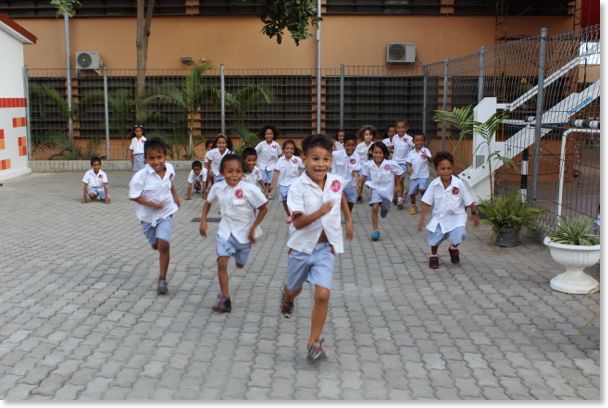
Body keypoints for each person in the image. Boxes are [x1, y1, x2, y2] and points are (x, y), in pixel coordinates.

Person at [279, 134, 353, 363]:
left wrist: (348, 219)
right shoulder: (296, 188)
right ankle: (287, 296)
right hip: (301, 248)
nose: (321, 164)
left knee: (323, 294)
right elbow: (298, 223)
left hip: (325, 248)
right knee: (295, 288)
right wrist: (320, 213)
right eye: (315, 159)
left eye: (326, 159)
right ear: (304, 160)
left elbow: (338, 197)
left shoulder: (335, 180)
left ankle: (313, 343)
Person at [199, 154, 269, 313]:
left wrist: (254, 227)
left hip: (244, 234)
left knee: (240, 262)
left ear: (242, 173)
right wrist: (203, 221)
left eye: (238, 171)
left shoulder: (250, 189)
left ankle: (240, 258)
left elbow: (264, 207)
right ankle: (225, 298)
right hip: (225, 231)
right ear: (222, 172)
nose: (234, 175)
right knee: (222, 262)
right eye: (230, 171)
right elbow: (207, 203)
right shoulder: (217, 188)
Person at [128, 137, 182, 294]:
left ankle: (162, 279)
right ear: (145, 159)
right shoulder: (140, 177)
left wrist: (176, 197)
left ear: (165, 156)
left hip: (165, 213)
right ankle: (156, 242)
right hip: (147, 218)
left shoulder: (170, 169)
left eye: (159, 157)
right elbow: (134, 196)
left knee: (164, 244)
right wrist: (152, 204)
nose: (156, 161)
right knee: (155, 245)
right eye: (152, 158)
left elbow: (170, 182)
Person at [417, 151, 479, 269]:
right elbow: (426, 203)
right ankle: (433, 256)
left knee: (460, 234)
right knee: (433, 240)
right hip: (439, 217)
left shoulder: (459, 183)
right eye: (442, 168)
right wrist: (422, 219)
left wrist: (474, 214)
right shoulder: (433, 184)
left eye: (449, 168)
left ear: (452, 168)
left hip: (457, 217)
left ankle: (453, 247)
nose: (446, 171)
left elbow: (469, 200)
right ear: (436, 169)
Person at [360, 141, 404, 241]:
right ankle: (375, 230)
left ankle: (385, 209)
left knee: (386, 208)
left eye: (380, 153)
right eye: (375, 152)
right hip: (376, 189)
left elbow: (399, 173)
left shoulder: (390, 164)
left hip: (388, 191)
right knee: (374, 207)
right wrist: (360, 187)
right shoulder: (368, 165)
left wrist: (397, 185)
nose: (378, 155)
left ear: (384, 153)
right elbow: (364, 176)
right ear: (372, 153)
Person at [270, 140, 304, 223]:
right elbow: (276, 172)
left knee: (292, 198)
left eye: (291, 149)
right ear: (283, 150)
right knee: (284, 201)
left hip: (294, 183)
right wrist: (272, 184)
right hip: (282, 184)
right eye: (287, 148)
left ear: (294, 150)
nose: (289, 150)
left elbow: (305, 166)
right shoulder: (280, 160)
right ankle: (289, 214)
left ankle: (296, 213)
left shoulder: (296, 160)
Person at [331, 133, 361, 212]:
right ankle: (336, 216)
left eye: (353, 145)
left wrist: (357, 178)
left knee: (351, 200)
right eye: (348, 145)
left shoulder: (356, 156)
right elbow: (327, 155)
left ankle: (348, 216)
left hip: (351, 183)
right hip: (338, 182)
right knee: (336, 201)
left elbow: (355, 170)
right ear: (344, 145)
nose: (350, 147)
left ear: (356, 145)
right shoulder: (336, 154)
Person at [405, 134, 432, 215]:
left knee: (422, 189)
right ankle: (413, 206)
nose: (419, 142)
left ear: (424, 141)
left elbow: (431, 160)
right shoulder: (411, 153)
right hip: (414, 176)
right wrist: (408, 167)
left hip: (423, 175)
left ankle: (424, 202)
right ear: (413, 142)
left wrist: (427, 156)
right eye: (417, 140)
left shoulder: (425, 150)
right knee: (412, 193)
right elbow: (408, 163)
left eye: (421, 140)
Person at [391, 119, 414, 209]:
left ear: (406, 128)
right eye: (399, 128)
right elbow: (394, 148)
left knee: (400, 180)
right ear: (396, 128)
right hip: (394, 162)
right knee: (396, 181)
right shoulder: (395, 138)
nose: (401, 129)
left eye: (403, 128)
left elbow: (414, 148)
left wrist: (411, 162)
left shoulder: (409, 139)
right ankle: (395, 195)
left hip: (404, 163)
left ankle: (400, 199)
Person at [255, 125, 282, 199]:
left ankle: (269, 191)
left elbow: (280, 155)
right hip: (261, 165)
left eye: (270, 134)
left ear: (273, 135)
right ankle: (265, 190)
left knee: (271, 179)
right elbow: (254, 152)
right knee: (263, 179)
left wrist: (280, 165)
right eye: (267, 134)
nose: (269, 135)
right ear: (264, 135)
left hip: (273, 165)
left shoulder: (276, 145)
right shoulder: (261, 144)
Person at [355, 125, 377, 203]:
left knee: (374, 183)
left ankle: (375, 197)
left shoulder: (375, 145)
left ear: (373, 136)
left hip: (372, 168)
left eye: (370, 135)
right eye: (366, 134)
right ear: (363, 136)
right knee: (360, 182)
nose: (368, 136)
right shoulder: (359, 146)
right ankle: (360, 196)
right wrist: (356, 169)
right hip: (362, 167)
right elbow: (356, 158)